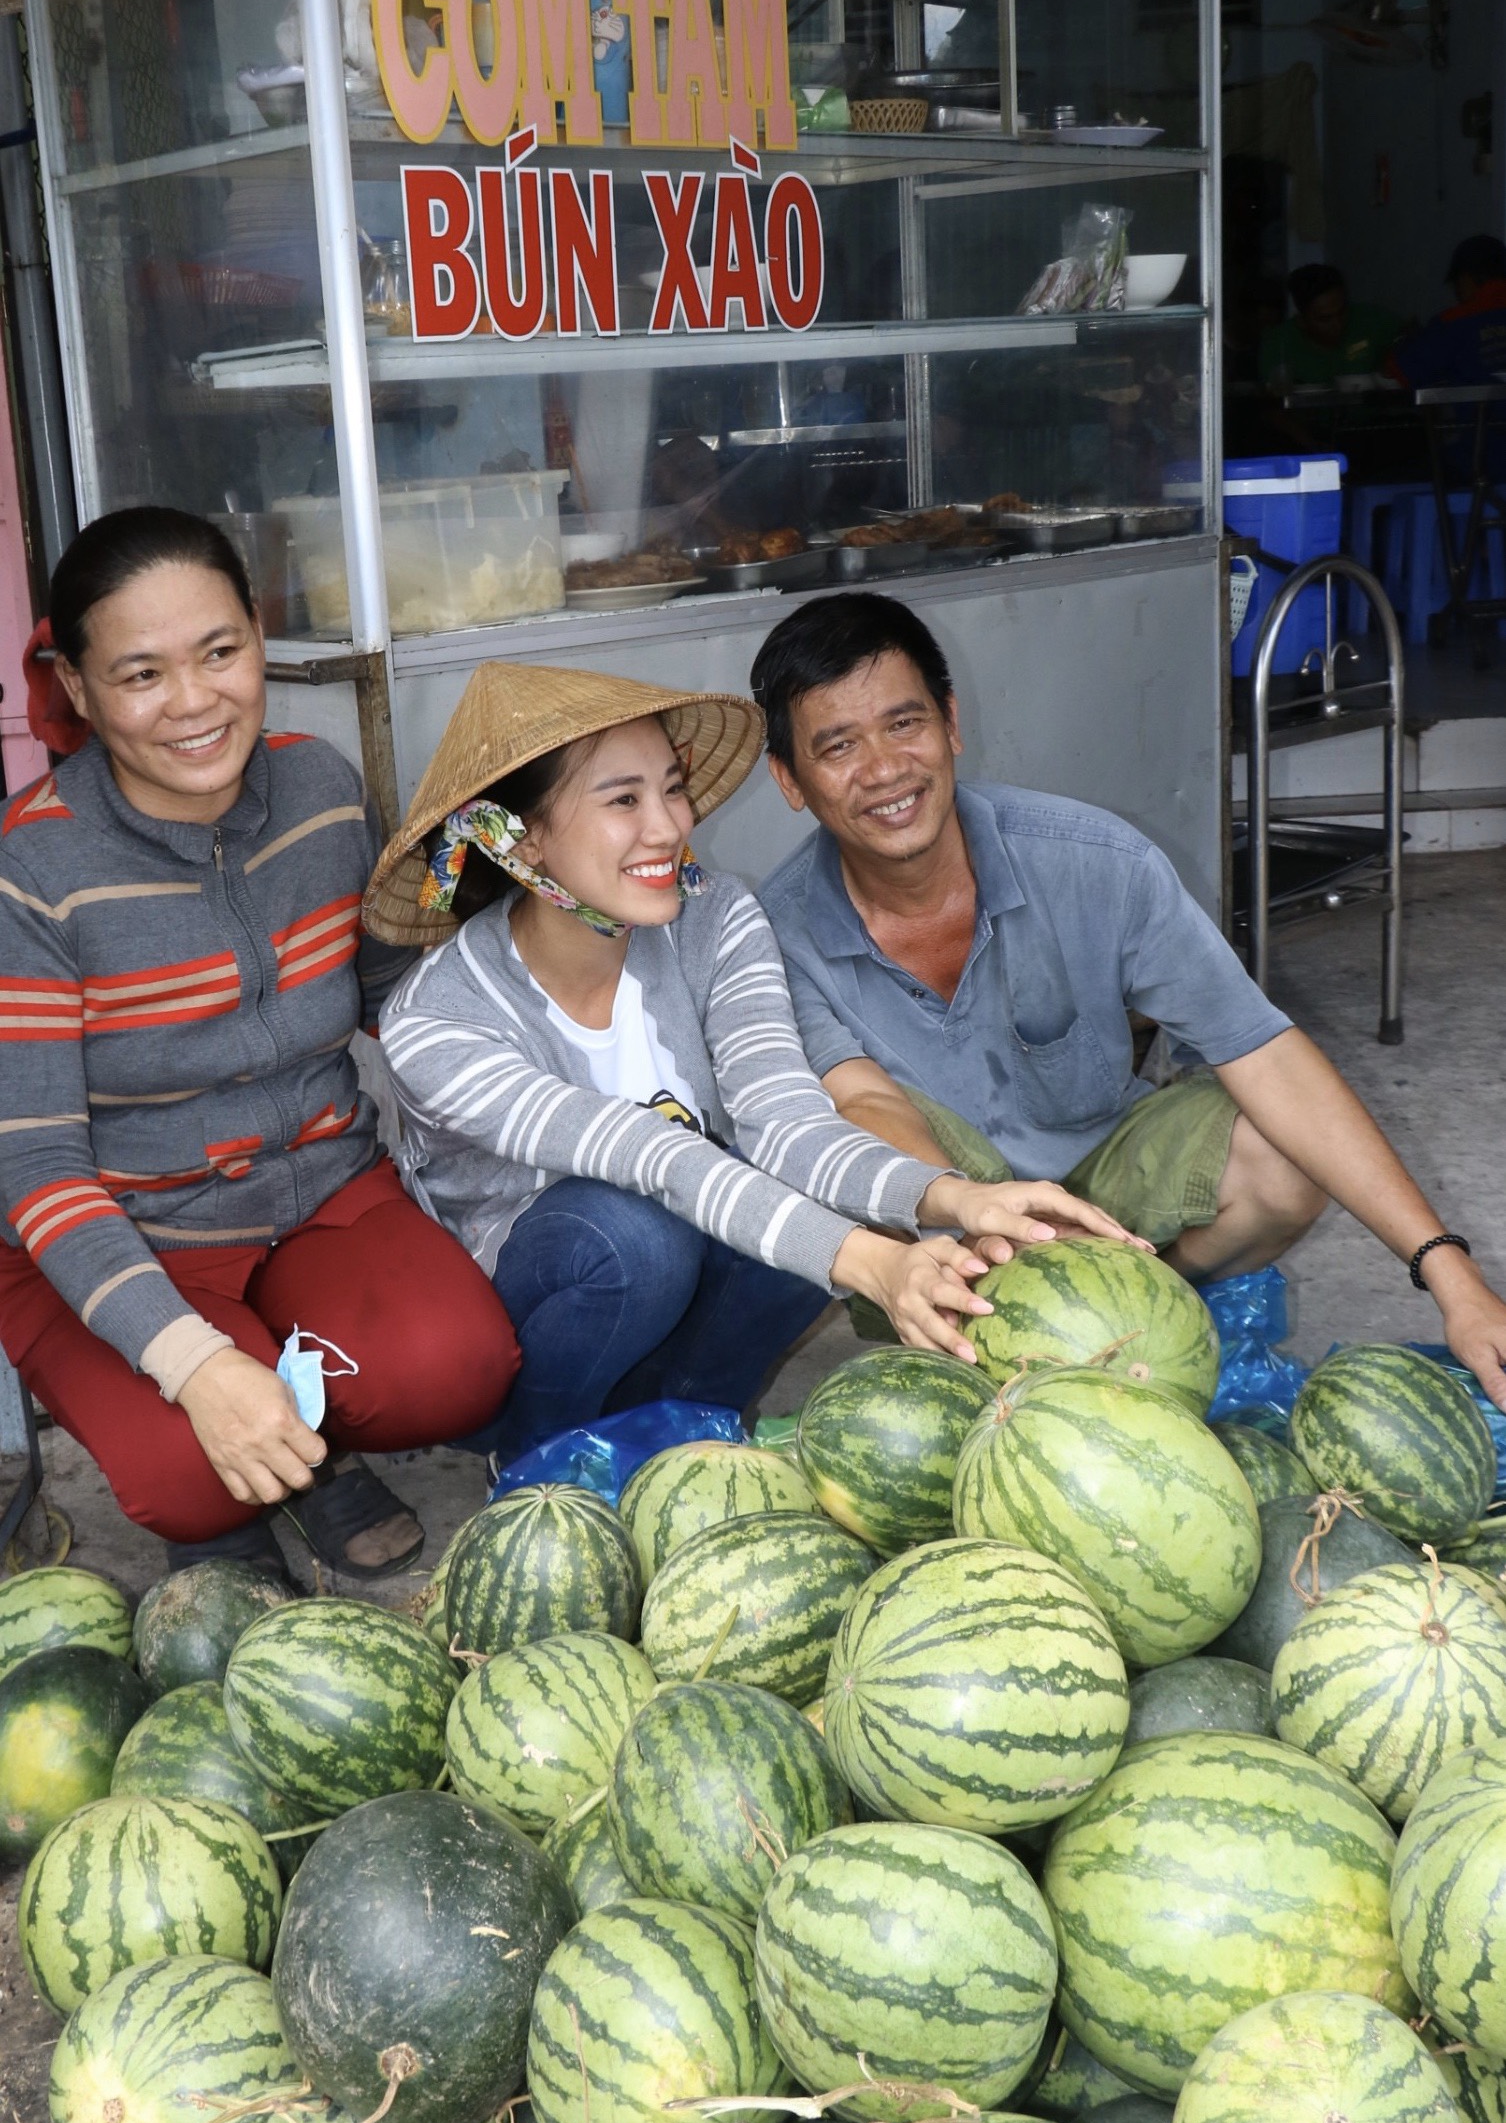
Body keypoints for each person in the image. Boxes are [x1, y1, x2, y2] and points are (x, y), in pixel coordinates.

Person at [363, 661, 1143, 1462]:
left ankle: (690, 1439)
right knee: (635, 1235)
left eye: (672, 788)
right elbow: (648, 1152)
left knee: (778, 1192)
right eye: (624, 799)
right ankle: (537, 1457)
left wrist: (955, 1199)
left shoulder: (717, 920)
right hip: (530, 1338)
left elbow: (788, 1124)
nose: (668, 826)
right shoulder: (435, 1017)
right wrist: (873, 1261)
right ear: (520, 837)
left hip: (673, 1291)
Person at [751, 591, 1506, 1404]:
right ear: (790, 780)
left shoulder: (1094, 861)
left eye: (906, 724)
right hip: (946, 1227)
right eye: (838, 746)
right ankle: (1023, 1338)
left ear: (951, 723)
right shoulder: (776, 933)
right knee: (841, 1147)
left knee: (1284, 1157)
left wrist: (1450, 1273)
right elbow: (863, 1103)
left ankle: (1153, 1302)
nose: (885, 769)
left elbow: (1264, 1052)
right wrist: (1006, 1234)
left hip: (1109, 1182)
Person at [0, 509, 519, 1582]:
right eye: (141, 673)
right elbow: (33, 1163)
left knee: (460, 1368)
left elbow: (393, 992)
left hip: (322, 1192)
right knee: (187, 1473)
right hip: (116, 1231)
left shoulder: (321, 788)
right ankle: (263, 1460)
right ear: (80, 687)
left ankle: (301, 1443)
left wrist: (510, 886)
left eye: (220, 652)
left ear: (258, 635)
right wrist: (193, 1364)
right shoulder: (32, 869)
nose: (195, 702)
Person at [1258, 263, 1402, 391]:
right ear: (1302, 318)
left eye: (1342, 313)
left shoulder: (1370, 319)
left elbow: (1409, 333)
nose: (1337, 324)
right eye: (1325, 319)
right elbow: (1273, 408)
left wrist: (1395, 360)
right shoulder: (1279, 343)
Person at [1391, 234, 1506, 391]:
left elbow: (1396, 372)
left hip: (1482, 415)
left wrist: (1405, 340)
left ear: (1466, 277)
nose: (1456, 292)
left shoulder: (1452, 324)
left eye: (1456, 282)